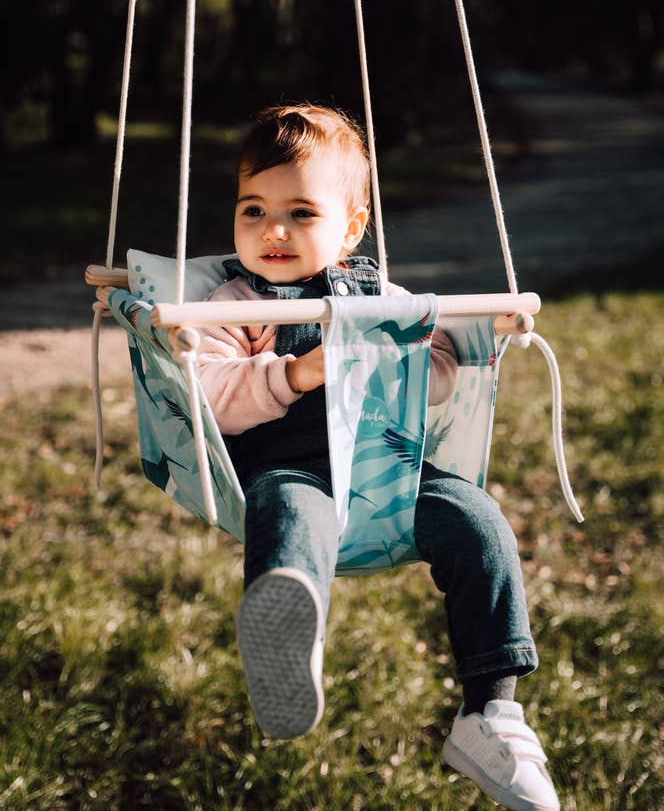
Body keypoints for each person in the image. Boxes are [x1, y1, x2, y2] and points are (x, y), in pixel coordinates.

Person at [196, 104, 560, 811]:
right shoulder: (233, 304)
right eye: (253, 209)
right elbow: (213, 398)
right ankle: (290, 633)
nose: (273, 230)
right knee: (287, 513)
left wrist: (472, 345)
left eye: (300, 211)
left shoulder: (381, 297)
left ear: (351, 227)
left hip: (388, 475)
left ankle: (492, 713)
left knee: (478, 520)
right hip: (291, 470)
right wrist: (295, 373)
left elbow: (434, 377)